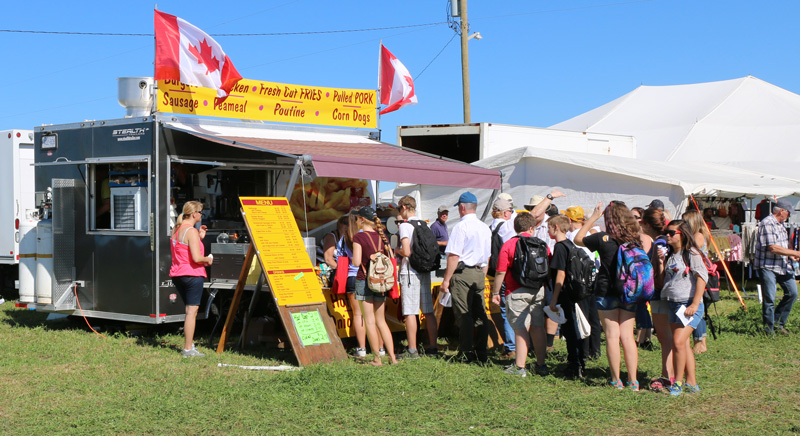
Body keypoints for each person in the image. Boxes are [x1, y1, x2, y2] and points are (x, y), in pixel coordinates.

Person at [574, 201, 640, 391]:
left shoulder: (602, 238)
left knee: (612, 336)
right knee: (627, 336)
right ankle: (633, 381)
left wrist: (593, 217)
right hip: (629, 290)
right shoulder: (634, 239)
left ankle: (615, 380)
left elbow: (578, 239)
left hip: (606, 290)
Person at [491, 212, 549, 377]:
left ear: (516, 228)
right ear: (532, 228)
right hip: (538, 290)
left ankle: (520, 367)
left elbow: (501, 271)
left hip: (516, 291)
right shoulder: (542, 244)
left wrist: (495, 292)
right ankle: (541, 364)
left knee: (520, 329)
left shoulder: (509, 244)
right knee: (538, 327)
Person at [656, 220, 707, 396]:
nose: (667, 236)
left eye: (671, 233)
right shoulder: (671, 254)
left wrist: (694, 303)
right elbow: (665, 281)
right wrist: (662, 263)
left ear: (682, 234)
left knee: (677, 342)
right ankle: (691, 383)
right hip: (673, 303)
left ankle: (677, 382)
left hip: (688, 305)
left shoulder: (692, 253)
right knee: (683, 344)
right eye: (666, 233)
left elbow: (702, 277)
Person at [441, 191, 492, 364]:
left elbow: (454, 256)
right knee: (480, 314)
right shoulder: (485, 227)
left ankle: (465, 352)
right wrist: (482, 274)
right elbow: (487, 256)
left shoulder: (461, 227)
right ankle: (481, 351)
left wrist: (446, 280)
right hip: (479, 271)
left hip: (463, 273)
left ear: (462, 208)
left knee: (464, 314)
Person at [352, 206, 397, 365]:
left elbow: (357, 262)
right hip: (381, 282)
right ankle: (392, 357)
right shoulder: (381, 236)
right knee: (381, 321)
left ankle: (377, 358)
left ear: (362, 219)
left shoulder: (359, 237)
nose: (356, 221)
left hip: (364, 280)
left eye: (356, 218)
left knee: (369, 321)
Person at [396, 196, 438, 358]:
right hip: (424, 271)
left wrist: (396, 250)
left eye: (399, 209)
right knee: (428, 311)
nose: (399, 213)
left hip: (410, 272)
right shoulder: (423, 224)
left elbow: (406, 252)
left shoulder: (405, 226)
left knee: (411, 312)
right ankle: (433, 347)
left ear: (405, 207)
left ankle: (412, 350)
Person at [549, 214, 591, 379]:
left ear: (556, 228)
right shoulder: (571, 245)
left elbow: (560, 274)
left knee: (570, 330)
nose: (549, 230)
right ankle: (580, 362)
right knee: (575, 329)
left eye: (550, 227)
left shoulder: (560, 247)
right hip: (576, 292)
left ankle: (574, 366)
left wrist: (554, 298)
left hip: (566, 293)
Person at [169, 201, 213, 358]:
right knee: (191, 313)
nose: (201, 215)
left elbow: (184, 251)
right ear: (194, 214)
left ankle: (189, 344)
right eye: (201, 212)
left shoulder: (177, 229)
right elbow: (196, 258)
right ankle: (188, 349)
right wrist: (208, 260)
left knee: (188, 311)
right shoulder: (191, 231)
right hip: (192, 274)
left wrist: (199, 238)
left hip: (178, 274)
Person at [641, 207, 675, 391]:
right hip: (666, 293)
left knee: (665, 337)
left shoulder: (659, 243)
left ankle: (668, 375)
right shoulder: (663, 240)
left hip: (661, 293)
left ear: (647, 224)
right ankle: (669, 374)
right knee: (668, 337)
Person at [563, 206, 603, 361]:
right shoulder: (590, 235)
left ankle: (584, 352)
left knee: (581, 316)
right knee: (593, 315)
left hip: (579, 280)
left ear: (569, 220)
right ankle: (596, 350)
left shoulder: (573, 236)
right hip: (594, 277)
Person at [754, 199, 800, 335]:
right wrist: (795, 253)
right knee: (769, 299)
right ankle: (768, 330)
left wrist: (790, 255)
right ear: (781, 211)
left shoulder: (781, 224)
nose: (789, 215)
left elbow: (781, 247)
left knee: (792, 293)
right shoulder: (767, 223)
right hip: (768, 266)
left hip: (782, 265)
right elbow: (773, 247)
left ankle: (778, 323)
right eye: (788, 213)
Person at [489, 197, 518, 359]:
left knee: (505, 311)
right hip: (509, 273)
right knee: (511, 311)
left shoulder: (491, 227)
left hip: (497, 272)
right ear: (506, 213)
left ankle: (511, 346)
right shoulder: (507, 227)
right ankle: (512, 347)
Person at [683, 209, 712, 354]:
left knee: (697, 309)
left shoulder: (698, 236)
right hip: (694, 277)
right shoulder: (698, 235)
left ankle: (700, 343)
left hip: (698, 277)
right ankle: (698, 341)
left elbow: (691, 249)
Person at [340, 213, 368, 357]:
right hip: (365, 276)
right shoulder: (365, 235)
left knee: (357, 314)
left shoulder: (344, 238)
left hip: (351, 277)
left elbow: (338, 256)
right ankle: (379, 348)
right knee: (371, 314)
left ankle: (361, 348)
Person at [632, 207, 654, 350]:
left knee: (640, 307)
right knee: (641, 307)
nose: (632, 220)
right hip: (640, 276)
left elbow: (642, 258)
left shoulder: (643, 237)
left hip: (642, 276)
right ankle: (644, 337)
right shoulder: (638, 236)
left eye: (635, 217)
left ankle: (642, 338)